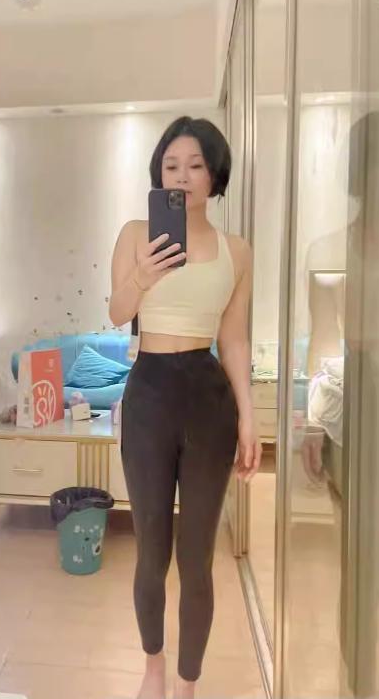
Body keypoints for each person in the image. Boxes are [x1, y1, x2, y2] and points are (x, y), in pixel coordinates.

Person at [109, 116, 262, 699]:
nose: (183, 175)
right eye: (171, 165)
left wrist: (249, 417)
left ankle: (187, 683)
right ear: (159, 174)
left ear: (215, 175)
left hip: (207, 397)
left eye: (196, 165)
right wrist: (143, 275)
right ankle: (153, 668)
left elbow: (235, 340)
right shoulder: (135, 234)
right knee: (152, 551)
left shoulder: (237, 251)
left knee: (197, 559)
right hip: (149, 392)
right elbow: (118, 312)